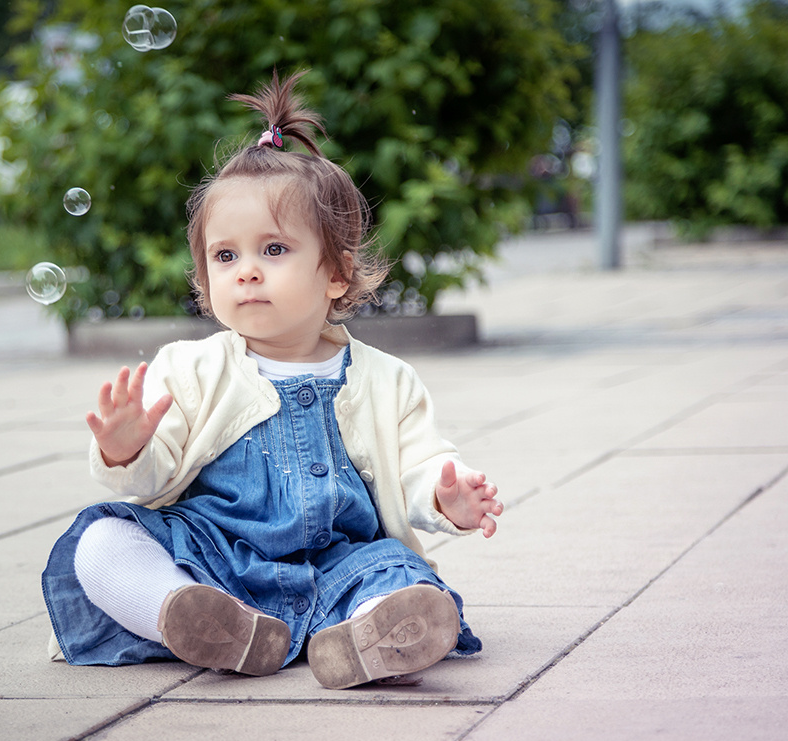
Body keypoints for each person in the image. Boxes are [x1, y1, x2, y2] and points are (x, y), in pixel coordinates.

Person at [42, 70, 503, 689]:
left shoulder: (387, 380)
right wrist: (126, 448)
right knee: (101, 541)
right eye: (225, 256)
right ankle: (192, 618)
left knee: (399, 575)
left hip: (338, 563)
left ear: (336, 274)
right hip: (215, 559)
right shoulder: (191, 367)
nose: (246, 272)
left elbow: (420, 463)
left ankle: (371, 632)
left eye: (274, 251)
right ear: (206, 278)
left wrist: (445, 499)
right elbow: (151, 476)